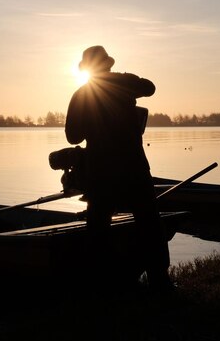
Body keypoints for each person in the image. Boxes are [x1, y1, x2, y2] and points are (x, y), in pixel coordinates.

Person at [65, 45, 172, 290]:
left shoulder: (82, 95)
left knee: (99, 225)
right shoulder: (126, 84)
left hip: (102, 170)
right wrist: (124, 80)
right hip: (134, 166)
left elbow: (73, 136)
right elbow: (150, 87)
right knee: (149, 220)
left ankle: (101, 281)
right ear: (109, 65)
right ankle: (160, 279)